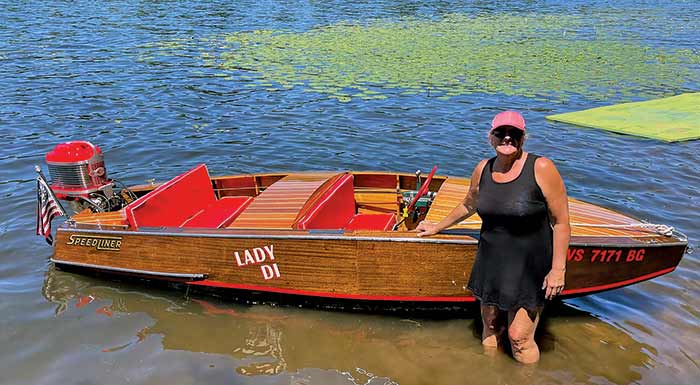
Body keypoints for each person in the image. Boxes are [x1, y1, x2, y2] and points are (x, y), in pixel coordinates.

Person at [416, 110, 570, 364]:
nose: (507, 138)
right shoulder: (482, 169)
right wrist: (437, 227)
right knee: (489, 325)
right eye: (500, 133)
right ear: (491, 137)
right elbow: (468, 204)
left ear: (523, 138)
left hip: (528, 266)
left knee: (519, 337)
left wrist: (558, 269)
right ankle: (490, 374)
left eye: (514, 134)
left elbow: (561, 222)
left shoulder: (541, 167)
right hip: (491, 261)